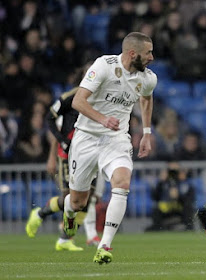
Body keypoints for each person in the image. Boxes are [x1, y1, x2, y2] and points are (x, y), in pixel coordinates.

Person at [63, 32, 156, 265]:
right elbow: (78, 101)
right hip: (86, 137)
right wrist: (102, 118)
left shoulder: (148, 78)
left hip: (116, 140)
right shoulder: (104, 65)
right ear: (132, 53)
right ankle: (69, 214)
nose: (152, 57)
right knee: (78, 202)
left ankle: (104, 245)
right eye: (148, 53)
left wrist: (146, 132)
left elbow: (146, 97)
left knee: (122, 183)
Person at [25, 80, 100, 251]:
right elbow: (53, 121)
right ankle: (39, 213)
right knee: (70, 196)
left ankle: (65, 238)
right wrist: (57, 149)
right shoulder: (71, 97)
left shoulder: (103, 97)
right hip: (67, 154)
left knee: (88, 198)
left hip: (90, 153)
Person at [145, 161, 195, 231]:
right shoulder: (163, 183)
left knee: (188, 207)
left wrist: (179, 196)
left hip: (180, 209)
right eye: (171, 171)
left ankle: (188, 228)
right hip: (166, 209)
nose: (173, 174)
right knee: (156, 208)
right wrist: (161, 182)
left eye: (175, 171)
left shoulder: (185, 183)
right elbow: (155, 197)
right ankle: (158, 228)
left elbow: (191, 199)